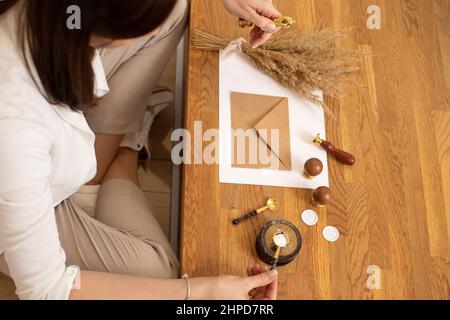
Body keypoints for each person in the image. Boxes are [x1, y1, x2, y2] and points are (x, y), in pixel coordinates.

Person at [0, 0, 281, 300]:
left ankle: (110, 158)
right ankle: (124, 151)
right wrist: (201, 292)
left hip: (48, 115)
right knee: (158, 274)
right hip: (16, 210)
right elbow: (46, 289)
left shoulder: (60, 15)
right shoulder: (15, 132)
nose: (154, 29)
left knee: (175, 9)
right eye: (142, 26)